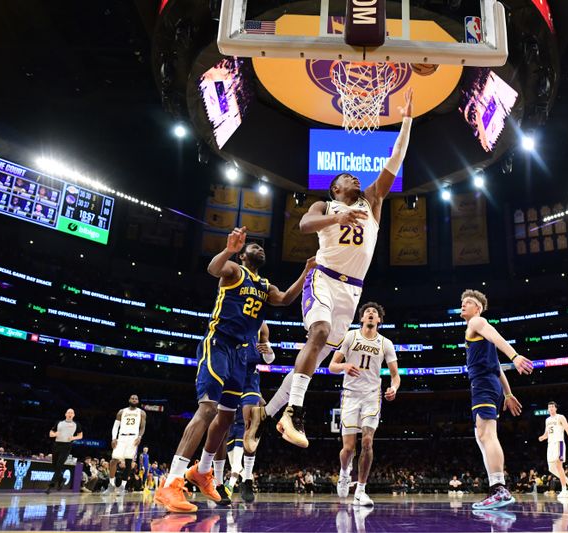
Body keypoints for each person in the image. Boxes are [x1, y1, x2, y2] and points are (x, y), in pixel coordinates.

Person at [271, 89, 414, 449]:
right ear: (335, 188)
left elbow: (396, 156)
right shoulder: (324, 204)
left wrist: (408, 120)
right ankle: (293, 413)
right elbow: (304, 226)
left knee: (317, 355)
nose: (353, 177)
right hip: (323, 277)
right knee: (317, 333)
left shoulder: (373, 200)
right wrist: (340, 216)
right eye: (346, 177)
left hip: (353, 290)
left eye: (354, 177)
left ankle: (269, 411)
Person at [154, 228, 313, 513]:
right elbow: (213, 267)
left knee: (226, 419)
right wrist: (228, 248)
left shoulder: (264, 285)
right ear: (242, 254)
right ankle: (171, 483)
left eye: (263, 248)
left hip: (241, 355)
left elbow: (287, 298)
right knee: (207, 410)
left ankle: (202, 472)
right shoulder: (234, 270)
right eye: (254, 246)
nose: (260, 249)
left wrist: (307, 271)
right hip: (218, 344)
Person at [459, 289, 534, 510]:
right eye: (462, 302)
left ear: (478, 308)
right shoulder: (476, 332)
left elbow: (494, 334)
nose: (464, 305)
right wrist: (508, 393)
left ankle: (499, 489)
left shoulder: (477, 322)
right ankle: (496, 489)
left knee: (486, 434)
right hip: (491, 383)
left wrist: (515, 355)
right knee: (481, 436)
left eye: (469, 302)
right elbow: (498, 367)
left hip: (482, 383)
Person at [328, 302, 400, 507]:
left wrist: (393, 388)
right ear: (361, 319)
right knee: (348, 449)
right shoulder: (350, 336)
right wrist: (344, 365)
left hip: (371, 396)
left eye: (374, 313)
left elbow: (395, 376)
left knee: (367, 442)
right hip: (350, 395)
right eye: (367, 312)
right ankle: (344, 473)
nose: (370, 314)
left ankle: (361, 490)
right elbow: (332, 366)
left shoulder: (385, 343)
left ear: (379, 320)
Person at [214, 323, 274, 505]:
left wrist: (268, 350)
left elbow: (269, 359)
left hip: (250, 377)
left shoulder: (262, 325)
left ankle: (247, 479)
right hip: (229, 374)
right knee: (220, 430)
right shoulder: (230, 315)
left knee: (252, 424)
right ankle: (218, 483)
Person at [538, 401, 568, 499]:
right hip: (550, 445)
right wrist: (543, 437)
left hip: (559, 443)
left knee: (559, 465)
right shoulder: (547, 420)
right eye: (549, 407)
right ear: (548, 409)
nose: (551, 408)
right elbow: (546, 433)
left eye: (552, 407)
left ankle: (564, 489)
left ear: (556, 408)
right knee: (551, 468)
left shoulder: (560, 417)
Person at [106, 394, 146, 493]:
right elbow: (115, 426)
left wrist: (140, 437)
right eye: (132, 398)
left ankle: (122, 487)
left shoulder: (141, 412)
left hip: (133, 438)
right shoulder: (122, 411)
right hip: (122, 437)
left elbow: (142, 427)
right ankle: (111, 484)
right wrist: (113, 438)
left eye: (136, 398)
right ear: (129, 400)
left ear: (138, 401)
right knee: (113, 460)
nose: (134, 399)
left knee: (129, 463)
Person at [47, 408, 82, 493]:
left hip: (67, 446)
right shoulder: (59, 423)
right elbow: (50, 433)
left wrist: (73, 437)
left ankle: (51, 486)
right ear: (65, 414)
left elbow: (80, 435)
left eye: (72, 413)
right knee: (54, 465)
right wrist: (54, 434)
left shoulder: (76, 424)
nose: (70, 414)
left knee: (59, 465)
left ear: (73, 415)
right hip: (57, 444)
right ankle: (61, 479)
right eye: (68, 412)